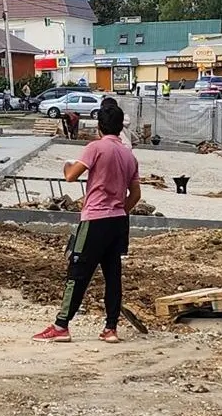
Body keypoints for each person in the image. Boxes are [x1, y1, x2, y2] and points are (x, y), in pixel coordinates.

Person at [32, 105, 141, 344]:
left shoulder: (96, 148)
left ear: (99, 126)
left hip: (95, 219)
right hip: (118, 221)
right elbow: (135, 194)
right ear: (120, 125)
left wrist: (67, 165)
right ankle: (110, 328)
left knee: (78, 271)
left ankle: (61, 325)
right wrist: (121, 209)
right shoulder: (128, 155)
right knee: (113, 275)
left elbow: (71, 176)